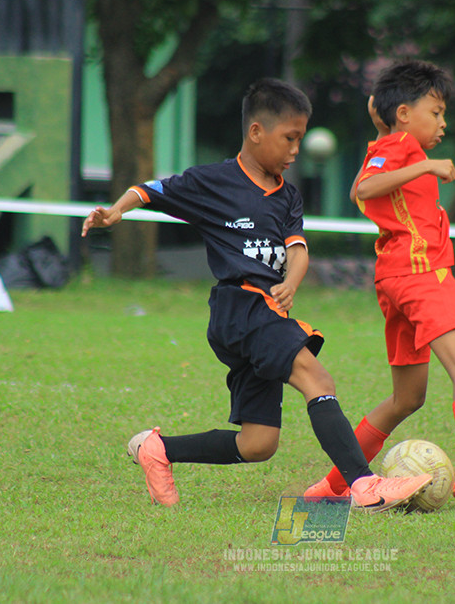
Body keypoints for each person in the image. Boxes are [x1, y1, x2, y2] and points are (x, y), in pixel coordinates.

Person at [81, 78, 431, 511]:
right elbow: (151, 190)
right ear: (256, 132)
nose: (295, 150)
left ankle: (159, 450)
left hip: (262, 311)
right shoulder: (213, 181)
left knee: (258, 443)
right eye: (290, 138)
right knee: (317, 379)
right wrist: (116, 209)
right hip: (240, 306)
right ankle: (364, 485)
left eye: (300, 139)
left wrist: (292, 281)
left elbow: (297, 251)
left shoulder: (288, 197)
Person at [303, 60, 455, 511]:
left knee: (407, 398)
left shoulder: (389, 143)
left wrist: (388, 133)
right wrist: (424, 163)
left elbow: (358, 188)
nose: (443, 123)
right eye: (436, 111)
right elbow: (367, 189)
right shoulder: (406, 147)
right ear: (405, 113)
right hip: (422, 273)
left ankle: (331, 486)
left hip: (395, 279)